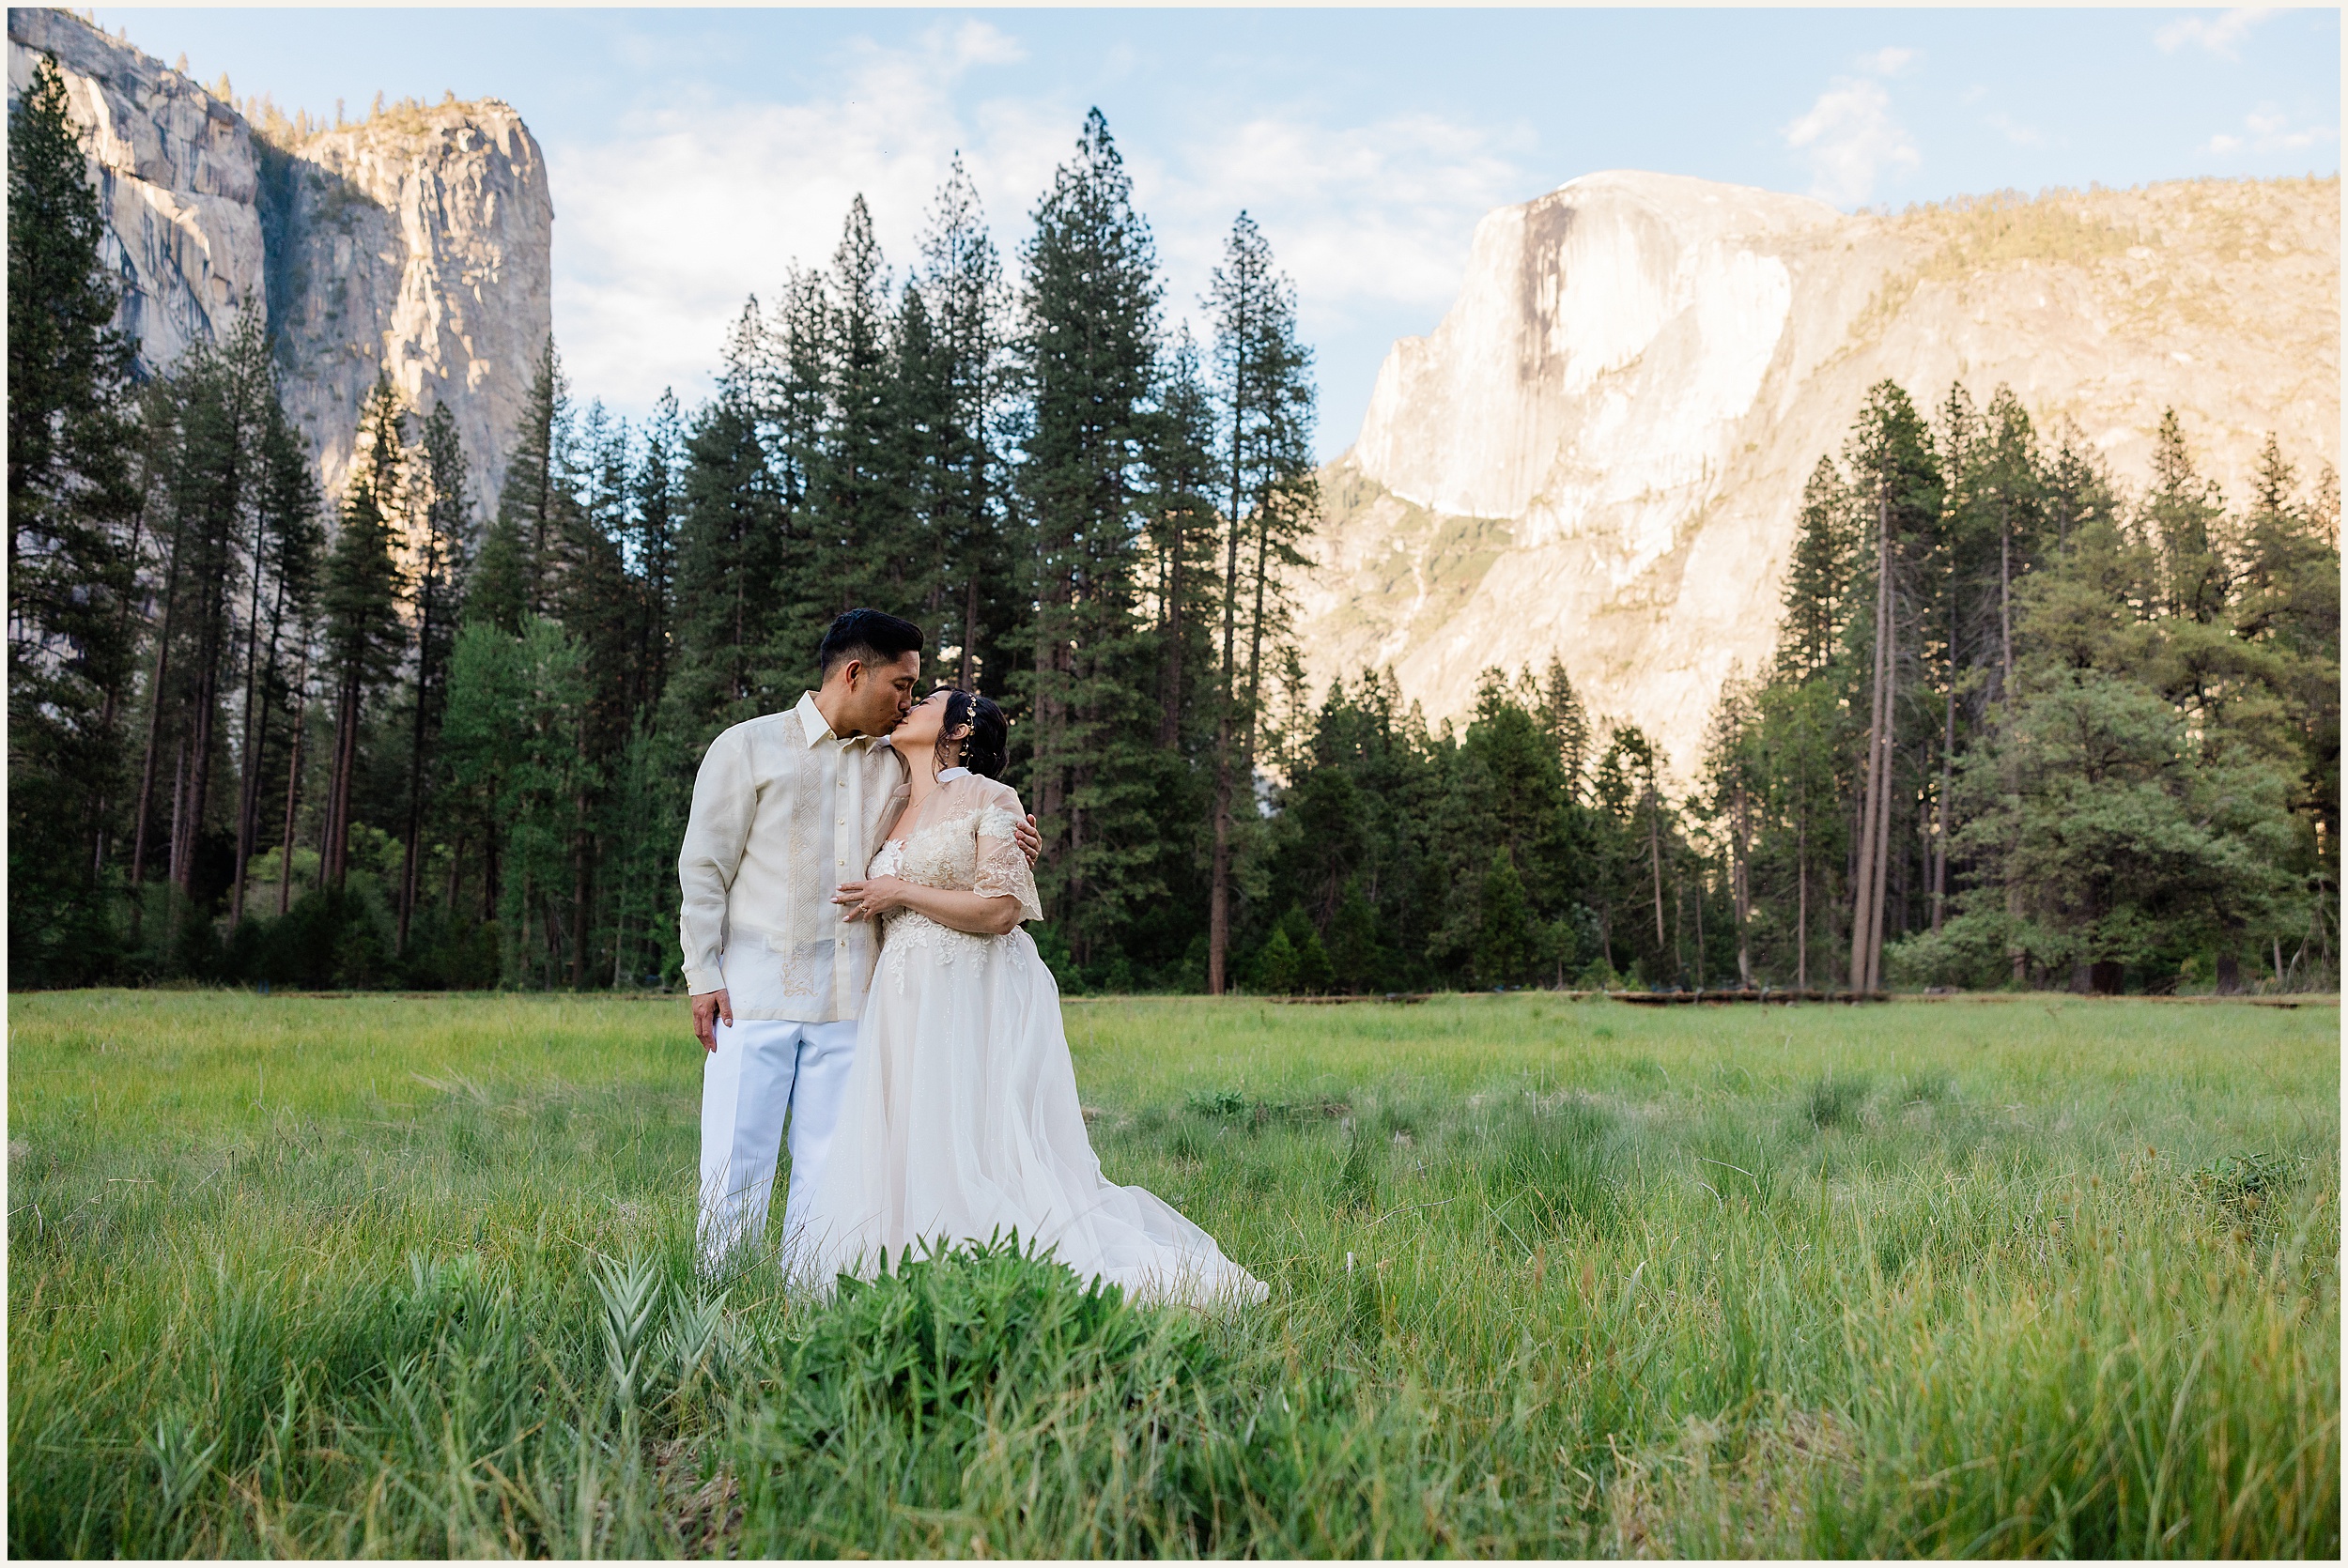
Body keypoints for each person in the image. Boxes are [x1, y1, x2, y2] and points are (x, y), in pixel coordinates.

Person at [796, 686, 1267, 1308]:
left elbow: (1002, 908)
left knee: (971, 1136)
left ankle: (987, 1272)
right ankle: (904, 1274)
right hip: (901, 998)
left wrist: (901, 893)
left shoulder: (993, 798)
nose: (911, 704)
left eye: (930, 699)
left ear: (962, 729)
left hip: (968, 991)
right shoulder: (890, 802)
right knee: (908, 1132)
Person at [676, 608, 1040, 1270]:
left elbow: (952, 817)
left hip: (854, 1002)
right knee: (736, 1159)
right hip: (752, 996)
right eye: (902, 686)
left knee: (831, 1168)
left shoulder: (895, 765)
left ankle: (812, 1295)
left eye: (914, 693)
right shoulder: (747, 746)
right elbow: (704, 867)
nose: (908, 704)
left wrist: (1015, 839)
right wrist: (702, 972)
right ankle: (720, 1295)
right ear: (853, 673)